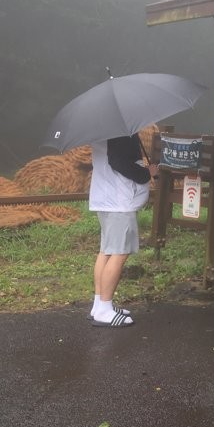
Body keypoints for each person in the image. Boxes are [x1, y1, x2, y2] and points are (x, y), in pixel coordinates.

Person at [88, 133, 157, 327]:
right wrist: (146, 173)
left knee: (106, 251)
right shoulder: (119, 131)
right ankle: (105, 310)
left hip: (104, 197)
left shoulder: (102, 128)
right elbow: (118, 162)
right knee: (119, 252)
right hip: (119, 200)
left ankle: (99, 305)